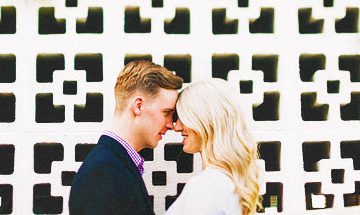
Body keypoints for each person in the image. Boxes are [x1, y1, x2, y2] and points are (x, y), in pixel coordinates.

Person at [69, 59, 183, 214]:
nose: (171, 125)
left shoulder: (113, 164)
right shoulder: (103, 173)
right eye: (166, 112)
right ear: (138, 106)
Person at [166, 78, 262, 215]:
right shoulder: (229, 182)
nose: (177, 127)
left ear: (205, 120)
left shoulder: (209, 185)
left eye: (183, 117)